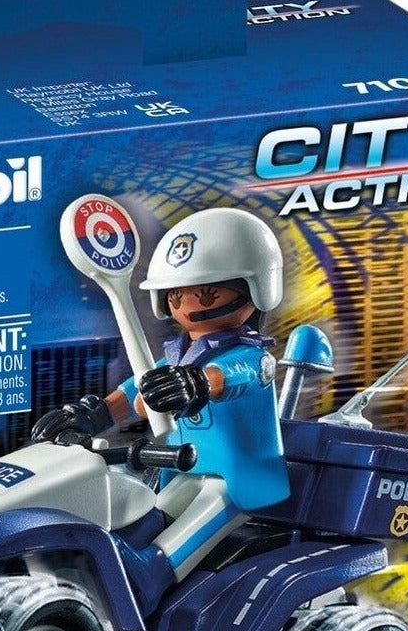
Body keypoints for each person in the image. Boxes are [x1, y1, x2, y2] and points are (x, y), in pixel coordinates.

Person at [34, 206, 291, 582]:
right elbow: (134, 389)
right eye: (176, 295)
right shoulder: (177, 357)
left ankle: (144, 592)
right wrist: (93, 415)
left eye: (205, 294)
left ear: (254, 288)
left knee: (166, 554)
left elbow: (233, 376)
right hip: (182, 470)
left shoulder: (254, 357)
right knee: (142, 527)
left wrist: (196, 383)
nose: (186, 305)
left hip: (234, 481)